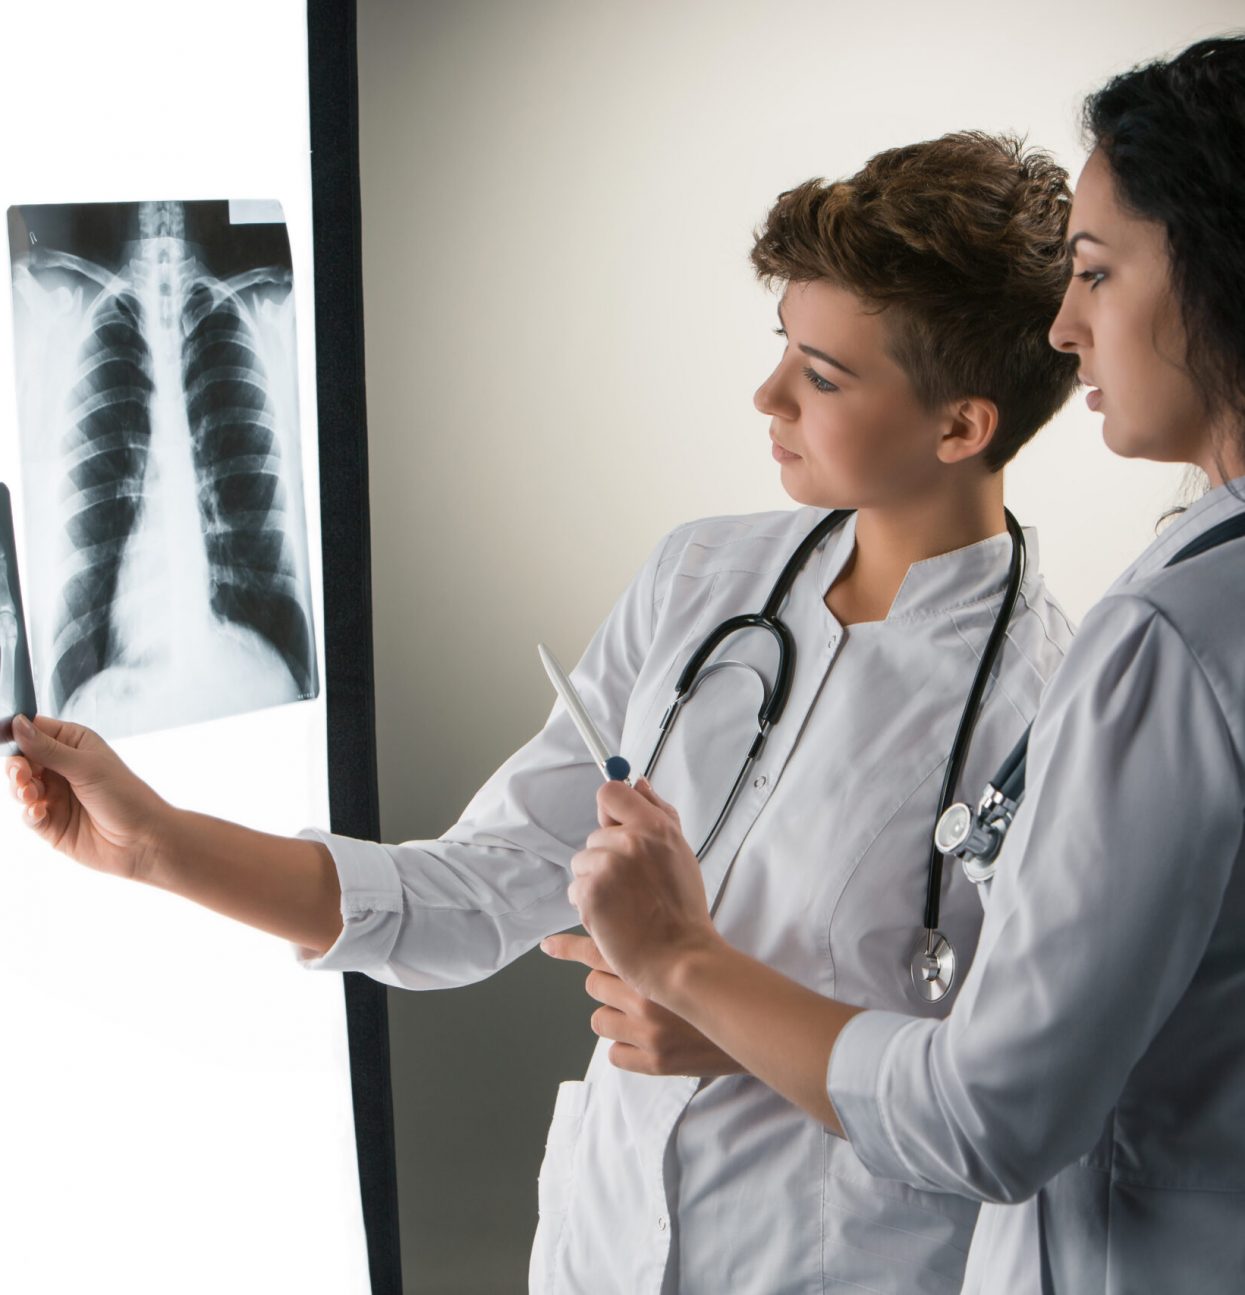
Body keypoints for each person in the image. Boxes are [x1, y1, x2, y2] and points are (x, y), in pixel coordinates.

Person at [6, 132, 1080, 1294]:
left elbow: (1021, 1101)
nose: (764, 395)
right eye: (781, 349)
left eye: (821, 376)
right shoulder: (704, 581)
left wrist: (743, 1033)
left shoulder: (1058, 702)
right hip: (601, 1249)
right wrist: (157, 843)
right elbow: (469, 897)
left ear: (962, 426)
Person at [558, 34, 1245, 1295]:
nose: (1066, 324)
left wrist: (685, 965)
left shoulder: (1157, 642)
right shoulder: (703, 575)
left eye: (1096, 272)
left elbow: (994, 1110)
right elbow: (487, 868)